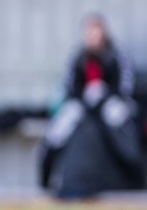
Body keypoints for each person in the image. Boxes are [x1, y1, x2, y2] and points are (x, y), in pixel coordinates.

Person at [39, 13, 143, 198]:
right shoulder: (79, 56)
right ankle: (45, 178)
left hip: (112, 103)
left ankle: (134, 177)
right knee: (60, 128)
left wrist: (105, 96)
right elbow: (70, 86)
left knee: (118, 121)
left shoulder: (117, 55)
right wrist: (84, 99)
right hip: (82, 105)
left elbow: (126, 87)